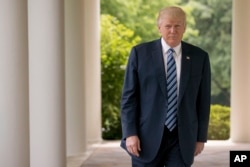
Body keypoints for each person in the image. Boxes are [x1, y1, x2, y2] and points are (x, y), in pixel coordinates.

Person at [120, 6, 211, 167]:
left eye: (177, 26)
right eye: (168, 26)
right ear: (159, 27)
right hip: (145, 137)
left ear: (185, 28)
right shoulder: (140, 54)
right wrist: (130, 133)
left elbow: (203, 102)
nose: (173, 31)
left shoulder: (199, 57)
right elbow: (129, 98)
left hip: (182, 138)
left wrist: (200, 137)